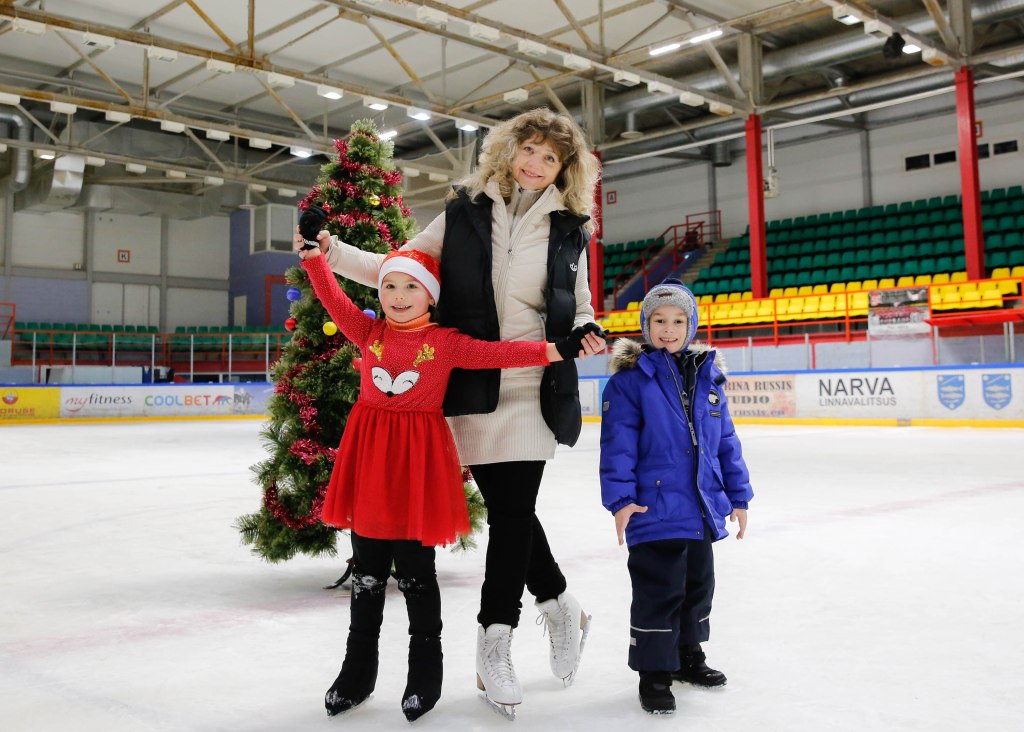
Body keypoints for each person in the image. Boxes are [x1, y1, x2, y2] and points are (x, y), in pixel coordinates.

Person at [308, 107, 605, 715]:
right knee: (508, 508)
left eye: (551, 157)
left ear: (564, 169)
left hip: (531, 374)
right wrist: (329, 251)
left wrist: (585, 329)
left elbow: (577, 303)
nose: (536, 163)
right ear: (509, 150)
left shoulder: (570, 227)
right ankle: (559, 604)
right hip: (469, 378)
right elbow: (396, 266)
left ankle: (495, 642)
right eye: (529, 149)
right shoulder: (465, 210)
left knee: (513, 513)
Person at [598, 279, 753, 715]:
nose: (669, 329)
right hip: (653, 507)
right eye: (659, 320)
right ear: (646, 326)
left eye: (679, 321)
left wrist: (738, 496)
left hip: (700, 507)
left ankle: (688, 656)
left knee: (697, 587)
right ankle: (654, 672)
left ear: (692, 325)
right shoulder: (629, 383)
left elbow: (726, 443)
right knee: (659, 591)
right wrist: (620, 501)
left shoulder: (709, 378)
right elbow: (618, 447)